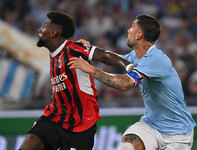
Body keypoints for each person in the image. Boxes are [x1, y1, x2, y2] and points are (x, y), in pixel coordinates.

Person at [68, 14, 197, 150]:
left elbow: (124, 84)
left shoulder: (155, 59)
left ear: (139, 35)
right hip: (151, 124)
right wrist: (86, 50)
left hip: (177, 134)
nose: (129, 30)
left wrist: (91, 70)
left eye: (132, 26)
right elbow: (113, 58)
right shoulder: (137, 55)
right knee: (127, 147)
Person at [19, 10, 131, 150]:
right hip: (55, 118)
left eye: (44, 26)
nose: (39, 30)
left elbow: (105, 55)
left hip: (81, 125)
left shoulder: (73, 49)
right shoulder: (53, 54)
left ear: (54, 33)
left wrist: (130, 66)